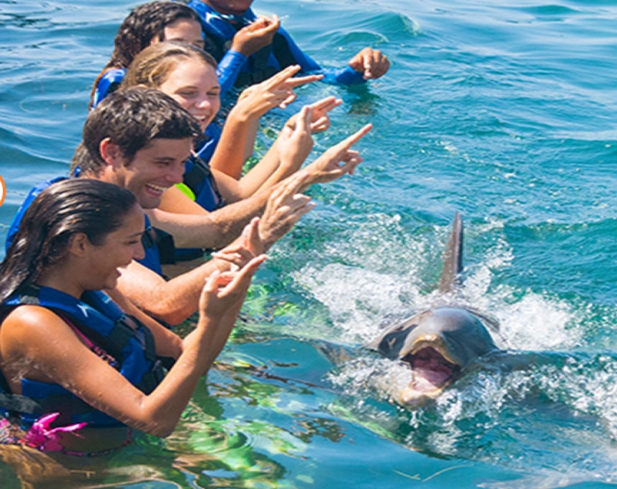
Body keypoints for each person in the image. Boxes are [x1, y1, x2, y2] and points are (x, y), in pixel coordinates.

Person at [8, 88, 371, 326]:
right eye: (163, 163)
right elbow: (165, 304)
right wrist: (261, 237)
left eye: (183, 163)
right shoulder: (75, 217)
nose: (175, 177)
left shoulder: (124, 202)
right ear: (112, 152)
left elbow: (217, 230)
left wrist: (307, 175)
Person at [0, 179, 266, 458]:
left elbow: (183, 355)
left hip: (127, 453)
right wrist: (210, 321)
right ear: (79, 244)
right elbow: (154, 421)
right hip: (71, 469)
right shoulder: (32, 323)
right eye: (130, 242)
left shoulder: (98, 291)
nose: (140, 254)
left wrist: (236, 286)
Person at [120, 41, 341, 212]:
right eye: (187, 93)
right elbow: (221, 230)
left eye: (213, 93)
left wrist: (288, 136)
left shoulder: (181, 151)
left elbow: (238, 193)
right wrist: (302, 172)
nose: (205, 105)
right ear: (145, 94)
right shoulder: (140, 162)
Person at [184, 0, 391, 94]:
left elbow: (314, 76)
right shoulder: (183, 31)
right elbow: (192, 101)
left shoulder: (267, 31)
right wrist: (239, 53)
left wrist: (355, 71)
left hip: (267, 122)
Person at [91, 1, 206, 107]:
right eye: (176, 45)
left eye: (197, 46)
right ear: (137, 46)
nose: (190, 52)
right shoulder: (117, 81)